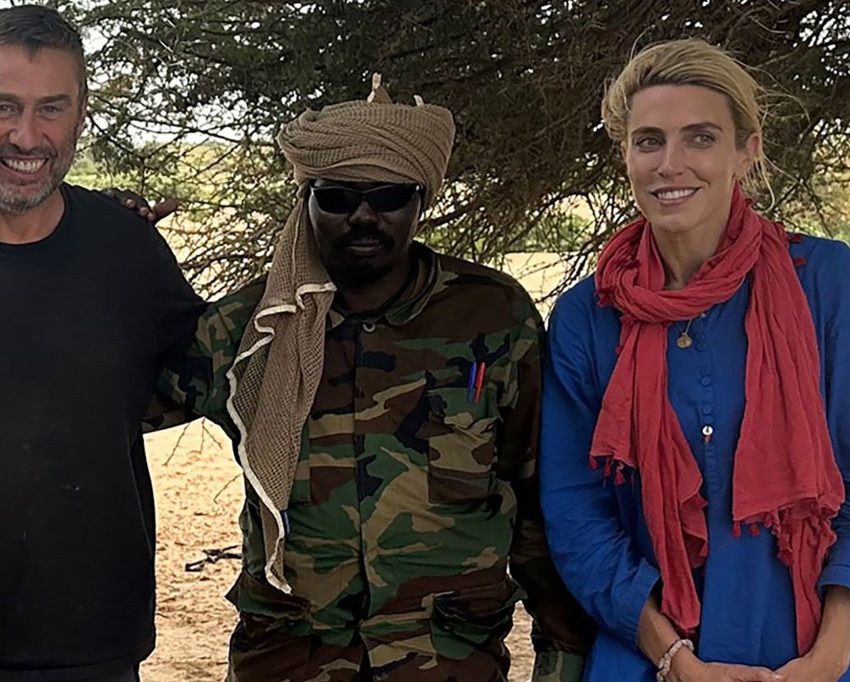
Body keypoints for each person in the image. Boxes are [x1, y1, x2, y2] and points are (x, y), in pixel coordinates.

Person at [155, 75, 595, 681]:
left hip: (446, 660)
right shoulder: (253, 327)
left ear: (420, 200)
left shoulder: (492, 315)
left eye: (387, 196)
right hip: (289, 658)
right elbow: (109, 395)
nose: (363, 215)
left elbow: (537, 499)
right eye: (336, 197)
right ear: (308, 201)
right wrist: (112, 245)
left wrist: (563, 657)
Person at [539, 38, 850, 682]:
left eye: (702, 138)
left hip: (820, 653)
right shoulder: (588, 316)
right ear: (625, 153)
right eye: (650, 140)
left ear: (748, 149)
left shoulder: (822, 281)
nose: (671, 164)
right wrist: (673, 657)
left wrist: (828, 659)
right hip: (651, 657)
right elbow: (576, 515)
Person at [0, 6, 203, 681]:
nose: (26, 135)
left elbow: (200, 380)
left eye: (51, 109)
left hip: (91, 645)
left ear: (80, 115)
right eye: (3, 106)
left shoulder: (129, 252)